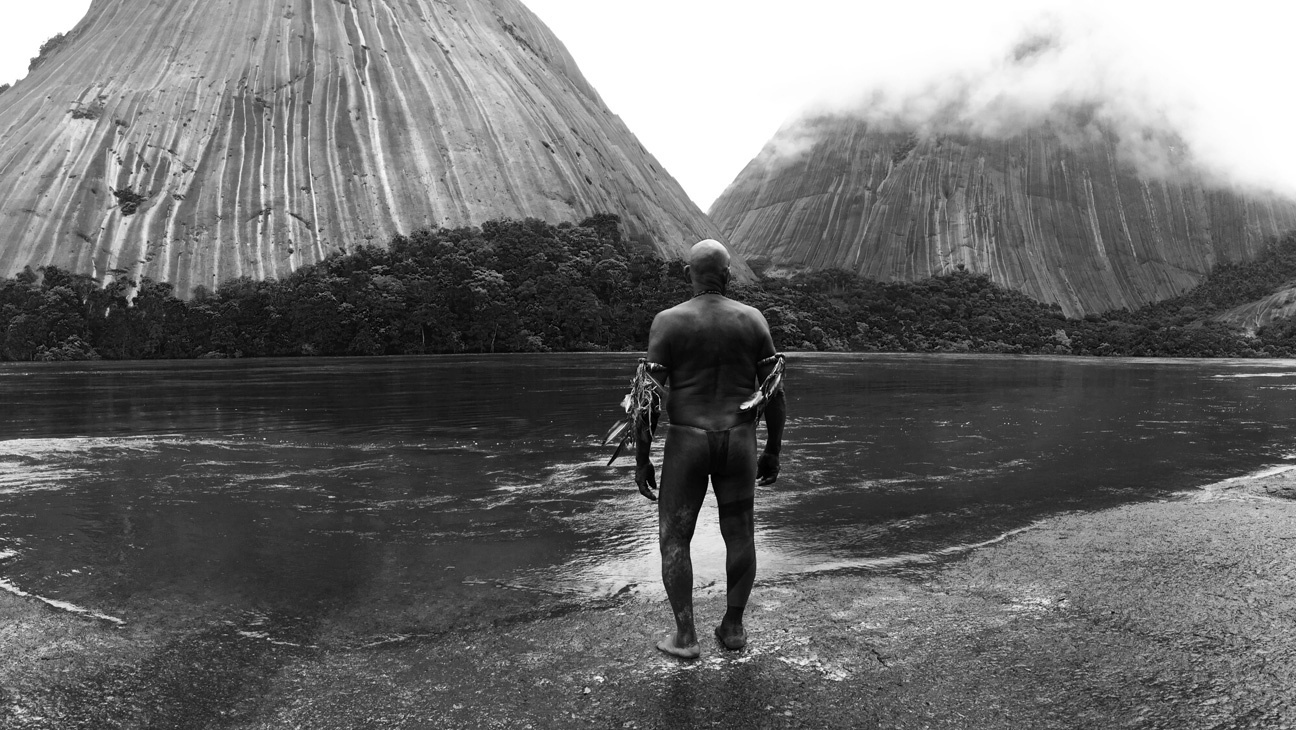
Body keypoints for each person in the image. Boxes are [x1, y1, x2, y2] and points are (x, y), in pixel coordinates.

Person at [634, 239, 786, 659]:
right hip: (738, 440)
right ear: (728, 274)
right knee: (740, 533)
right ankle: (733, 628)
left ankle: (686, 637)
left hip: (688, 441)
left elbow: (647, 400)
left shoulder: (668, 321)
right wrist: (773, 448)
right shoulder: (753, 320)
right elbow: (773, 392)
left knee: (675, 538)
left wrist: (642, 459)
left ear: (690, 274)